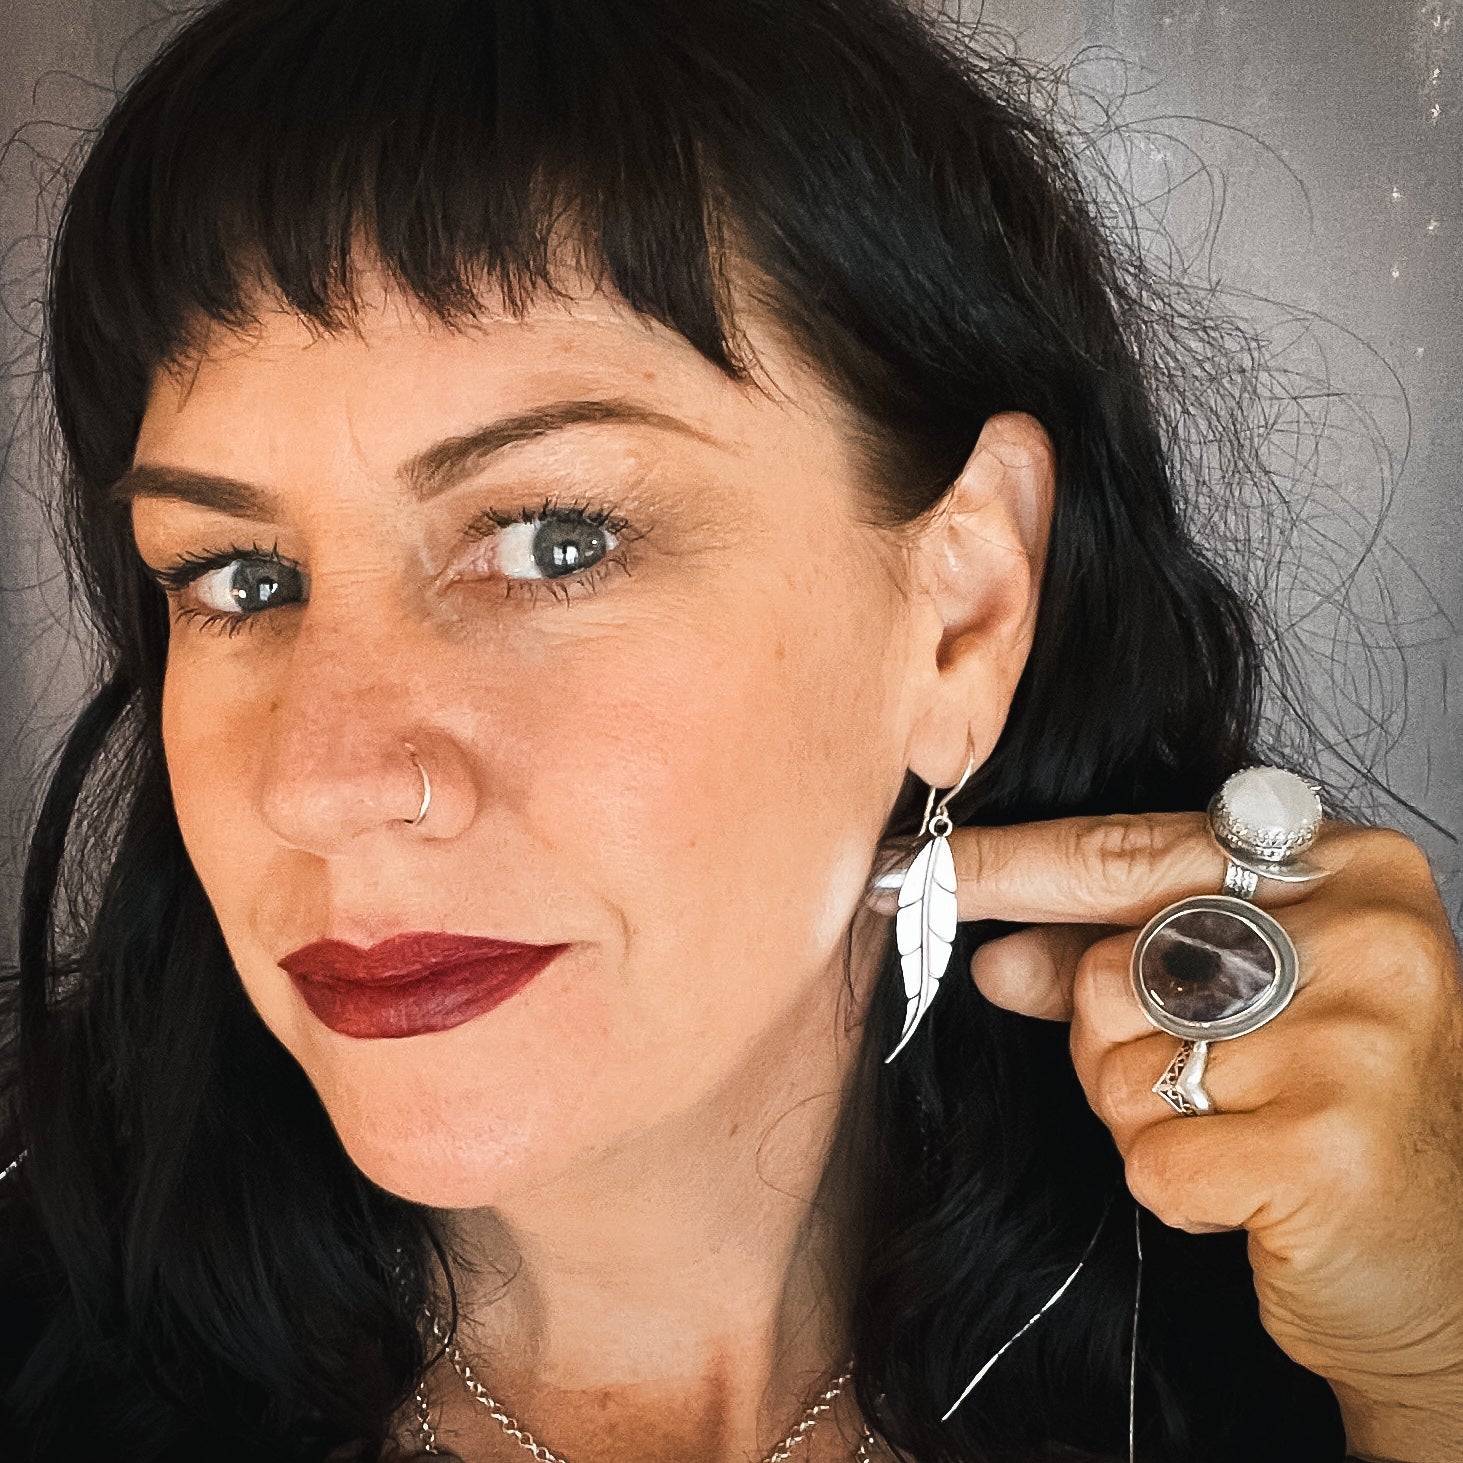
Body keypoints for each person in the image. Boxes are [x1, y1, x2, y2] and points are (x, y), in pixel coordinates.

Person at [1, 0, 1460, 1459]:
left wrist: (1427, 1372)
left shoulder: (1303, 1344)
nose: (318, 782)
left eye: (553, 542)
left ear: (964, 610)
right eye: (238, 580)